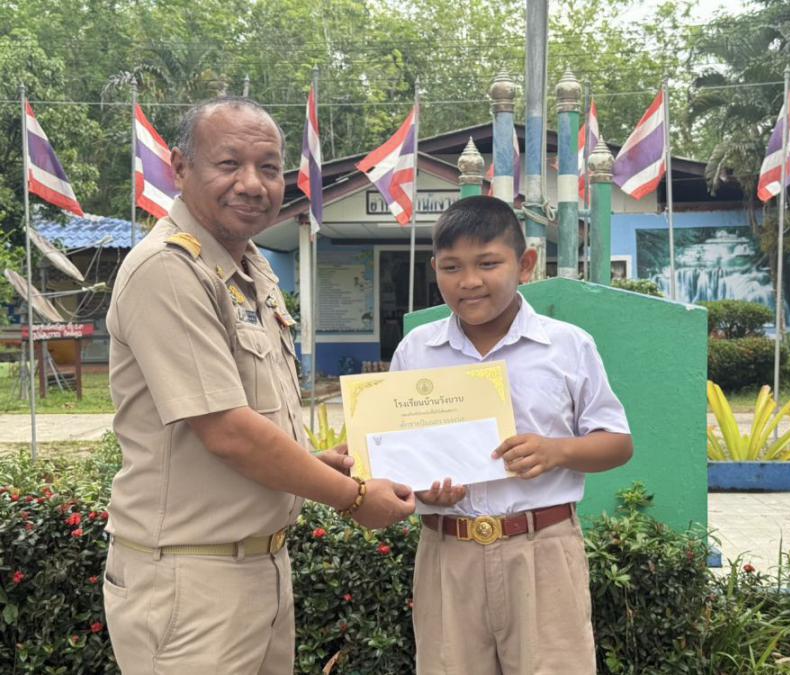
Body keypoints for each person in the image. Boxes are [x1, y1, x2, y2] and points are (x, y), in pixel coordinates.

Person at [102, 97, 415, 674]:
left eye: (268, 168)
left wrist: (312, 464)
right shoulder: (169, 269)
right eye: (229, 164)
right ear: (180, 168)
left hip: (259, 569)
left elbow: (248, 418)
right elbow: (227, 431)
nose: (252, 184)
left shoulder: (251, 268)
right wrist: (350, 498)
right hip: (191, 582)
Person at [390, 195, 633, 674]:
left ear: (525, 264)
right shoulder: (417, 351)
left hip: (543, 551)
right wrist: (422, 490)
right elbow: (397, 454)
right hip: (447, 551)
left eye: (487, 263)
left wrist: (558, 451)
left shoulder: (567, 346)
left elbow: (618, 443)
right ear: (435, 269)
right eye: (452, 267)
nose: (469, 281)